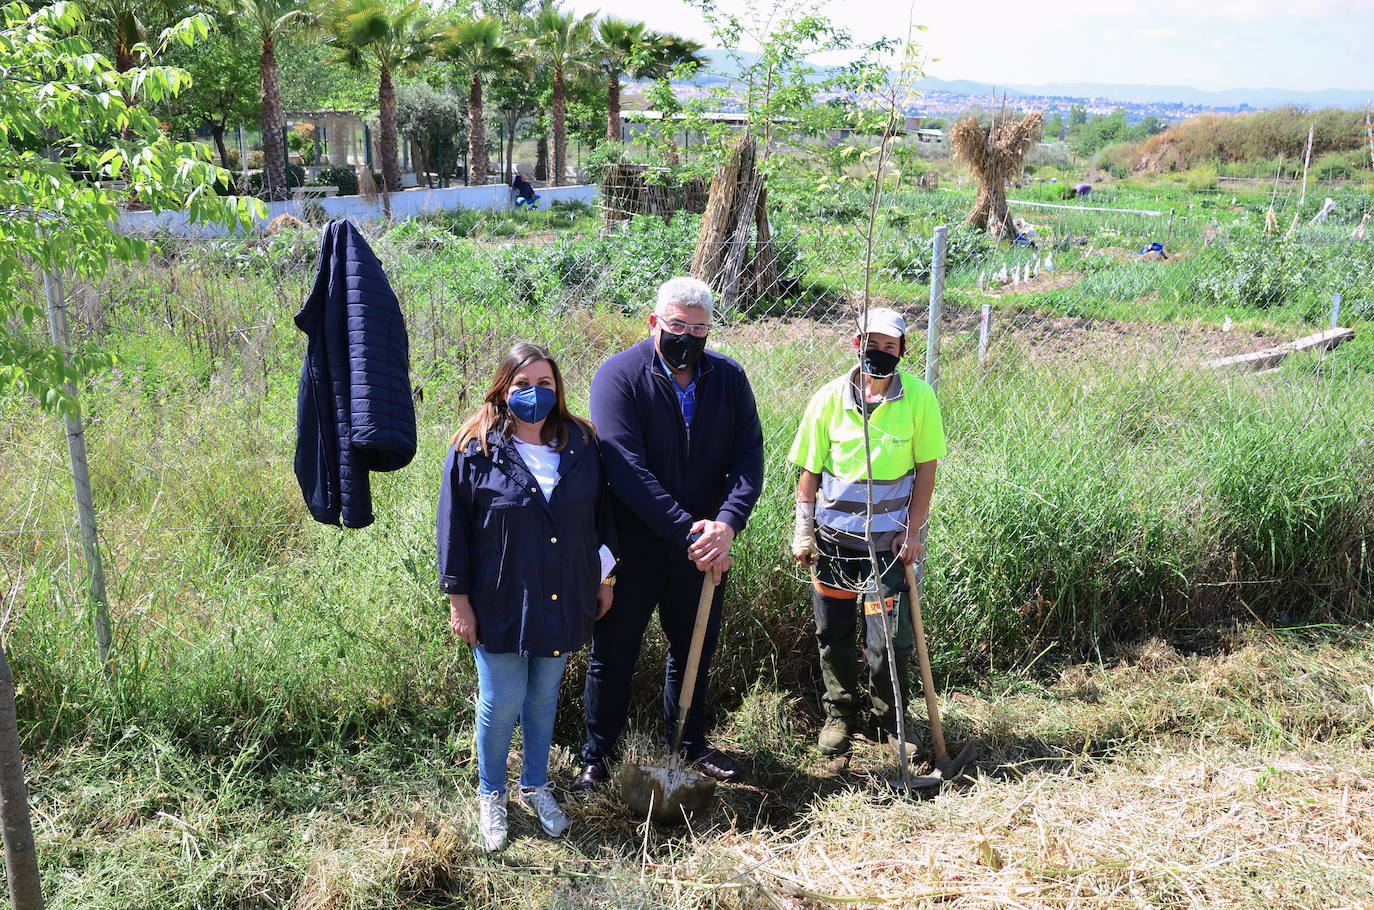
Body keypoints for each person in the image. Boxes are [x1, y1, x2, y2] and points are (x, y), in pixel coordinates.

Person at [573, 276, 765, 790]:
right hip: (632, 545)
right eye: (677, 325)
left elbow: (749, 459)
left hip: (705, 548)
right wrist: (690, 532)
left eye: (699, 329)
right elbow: (625, 468)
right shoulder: (619, 376)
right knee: (613, 653)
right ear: (654, 322)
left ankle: (688, 743)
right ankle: (598, 755)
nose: (687, 337)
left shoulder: (728, 377)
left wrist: (727, 524)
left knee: (693, 649)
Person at [437, 342, 617, 852]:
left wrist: (605, 580)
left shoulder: (581, 442)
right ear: (502, 388)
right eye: (522, 384)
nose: (534, 393)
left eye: (544, 383)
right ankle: (491, 793)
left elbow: (602, 520)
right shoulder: (474, 447)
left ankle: (535, 785)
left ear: (557, 389)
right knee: (501, 702)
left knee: (542, 699)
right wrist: (458, 600)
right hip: (500, 599)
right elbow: (452, 530)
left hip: (564, 594)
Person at [787, 308, 947, 757]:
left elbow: (927, 469)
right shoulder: (827, 398)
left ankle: (891, 721)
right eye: (871, 343)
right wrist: (804, 531)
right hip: (834, 544)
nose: (879, 351)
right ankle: (840, 715)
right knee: (833, 634)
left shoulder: (919, 398)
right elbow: (809, 471)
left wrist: (913, 533)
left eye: (889, 345)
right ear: (856, 344)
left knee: (887, 640)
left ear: (902, 351)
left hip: (889, 549)